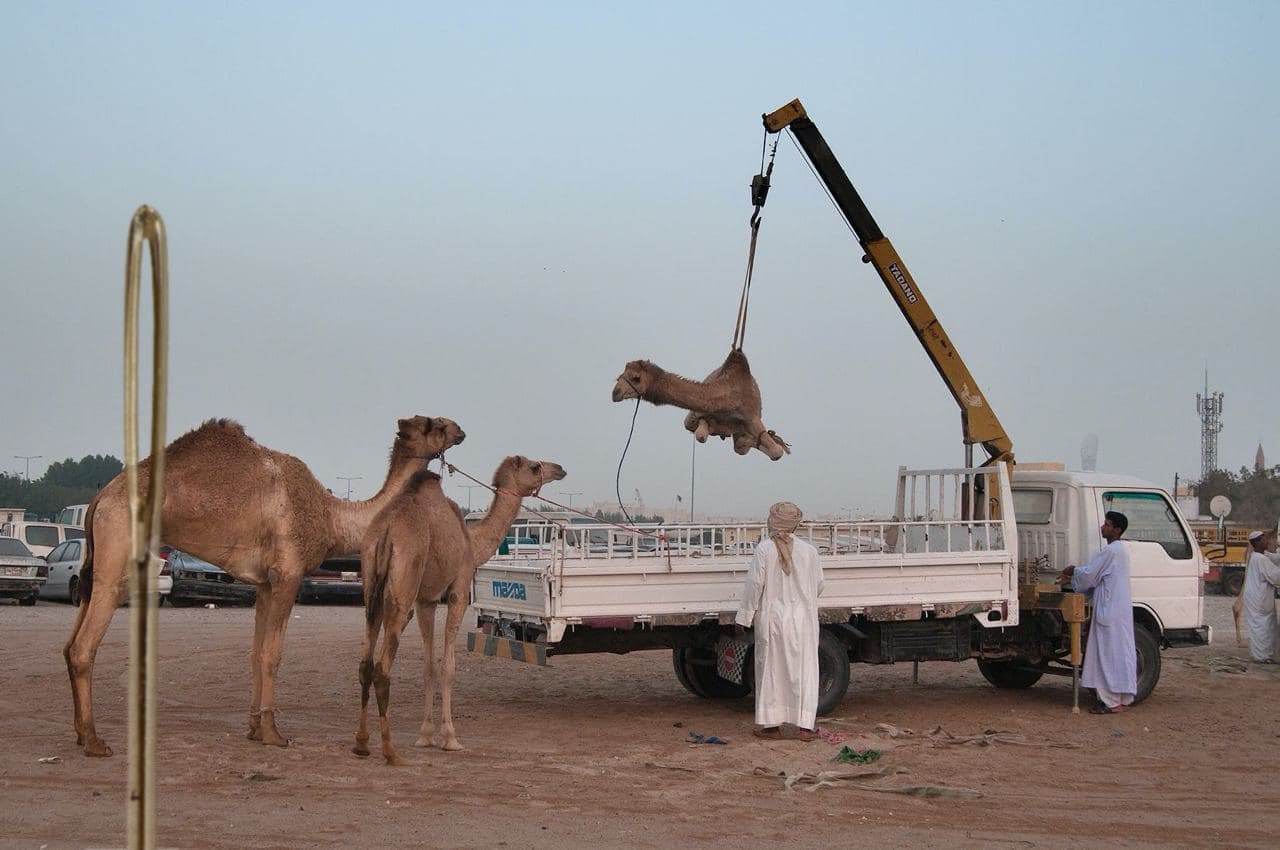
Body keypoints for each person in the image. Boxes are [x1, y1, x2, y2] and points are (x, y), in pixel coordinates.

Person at [735, 501, 825, 741]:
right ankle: (805, 728)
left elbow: (754, 586)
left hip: (773, 620)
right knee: (805, 671)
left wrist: (743, 618)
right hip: (803, 621)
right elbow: (819, 586)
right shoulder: (809, 551)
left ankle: (771, 726)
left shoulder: (764, 550)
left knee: (771, 671)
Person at [1057, 510, 1136, 714]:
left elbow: (1090, 575)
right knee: (1117, 654)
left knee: (1106, 656)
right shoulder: (1118, 551)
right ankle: (1118, 697)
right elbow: (1096, 577)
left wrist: (1072, 570)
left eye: (1107, 525)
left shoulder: (1112, 551)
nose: (1103, 527)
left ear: (1117, 530)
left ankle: (1111, 702)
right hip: (1115, 609)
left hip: (1109, 610)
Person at [1241, 529, 1280, 663]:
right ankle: (1261, 657)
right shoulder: (1260, 559)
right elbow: (1276, 577)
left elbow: (1273, 557)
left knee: (1265, 627)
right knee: (1261, 628)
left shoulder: (1258, 556)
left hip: (1257, 598)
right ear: (1257, 542)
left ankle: (1265, 656)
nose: (1267, 541)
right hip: (1259, 600)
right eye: (1264, 539)